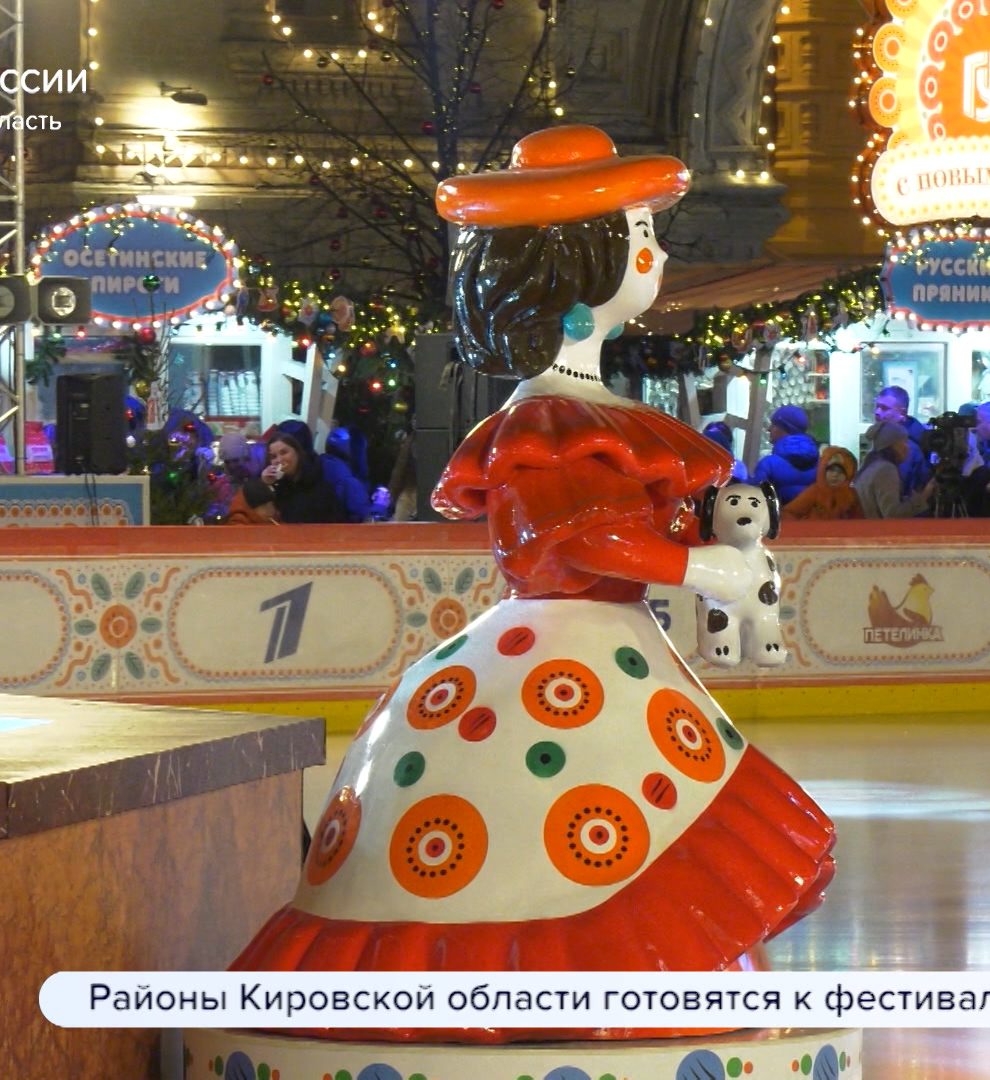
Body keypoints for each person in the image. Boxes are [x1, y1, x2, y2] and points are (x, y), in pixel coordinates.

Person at [233, 126, 834, 1002]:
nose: (661, 255)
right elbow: (570, 540)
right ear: (578, 277)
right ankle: (538, 978)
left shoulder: (592, 413)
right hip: (571, 652)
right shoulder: (545, 425)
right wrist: (705, 572)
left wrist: (711, 547)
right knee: (571, 820)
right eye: (642, 236)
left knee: (640, 810)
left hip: (610, 649)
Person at [275, 419, 370, 522]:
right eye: (273, 455)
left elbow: (360, 515)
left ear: (299, 451)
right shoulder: (284, 476)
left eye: (283, 452)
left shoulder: (329, 474)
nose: (278, 460)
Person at [262, 431, 349, 523]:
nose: (279, 460)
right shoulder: (279, 485)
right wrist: (266, 484)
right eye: (273, 457)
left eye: (284, 452)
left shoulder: (317, 483)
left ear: (297, 452)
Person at [856, 419, 935, 518]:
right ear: (892, 446)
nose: (908, 448)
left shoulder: (872, 465)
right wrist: (923, 497)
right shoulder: (885, 470)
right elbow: (892, 515)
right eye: (904, 442)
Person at [751, 404, 821, 503]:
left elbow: (754, 501)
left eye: (774, 425)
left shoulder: (769, 464)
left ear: (785, 429)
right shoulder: (822, 464)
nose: (768, 429)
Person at [872, 385, 930, 496]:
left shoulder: (906, 447)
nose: (877, 412)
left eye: (885, 408)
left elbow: (893, 490)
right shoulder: (883, 439)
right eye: (877, 406)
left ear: (902, 413)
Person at [782, 445, 862, 520]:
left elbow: (859, 520)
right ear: (823, 471)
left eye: (841, 472)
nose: (835, 475)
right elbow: (788, 512)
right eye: (831, 470)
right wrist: (801, 529)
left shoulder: (851, 496)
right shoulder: (814, 491)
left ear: (848, 475)